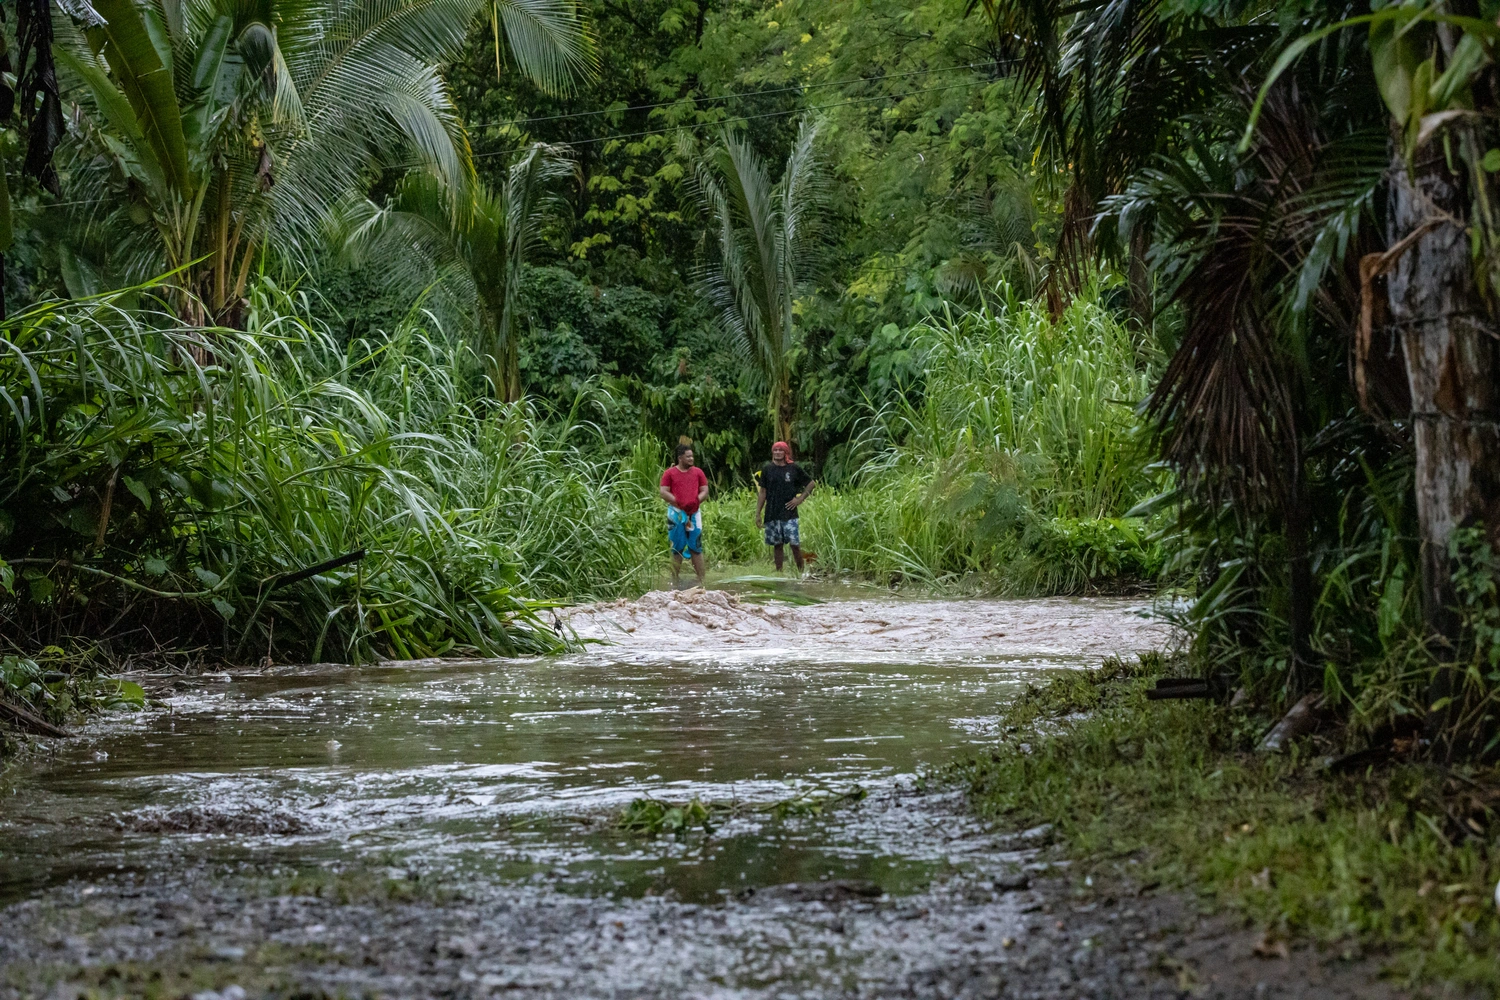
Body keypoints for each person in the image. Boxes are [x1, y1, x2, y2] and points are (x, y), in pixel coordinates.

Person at [755, 441, 815, 572]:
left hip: (789, 512)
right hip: (772, 512)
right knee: (777, 545)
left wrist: (800, 499)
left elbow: (811, 484)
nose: (777, 453)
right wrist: (758, 513)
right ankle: (779, 572)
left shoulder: (793, 468)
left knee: (795, 544)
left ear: (785, 452)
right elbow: (763, 492)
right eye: (775, 450)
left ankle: (800, 571)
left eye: (780, 450)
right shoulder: (767, 469)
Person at [659, 443, 709, 588]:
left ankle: (701, 580)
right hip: (675, 513)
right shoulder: (669, 473)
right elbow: (663, 492)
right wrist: (679, 502)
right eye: (688, 457)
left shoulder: (698, 472)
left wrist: (695, 501)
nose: (691, 459)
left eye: (692, 456)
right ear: (680, 458)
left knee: (696, 546)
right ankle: (674, 580)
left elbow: (705, 490)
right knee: (677, 546)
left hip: (694, 513)